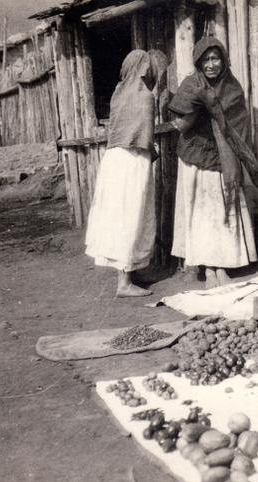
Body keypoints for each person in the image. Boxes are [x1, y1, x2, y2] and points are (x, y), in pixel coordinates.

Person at [169, 38, 257, 289]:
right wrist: (200, 106)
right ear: (198, 62)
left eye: (215, 58)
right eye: (205, 60)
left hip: (225, 158)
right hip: (196, 157)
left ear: (223, 60)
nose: (211, 65)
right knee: (202, 213)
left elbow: (237, 126)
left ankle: (222, 265)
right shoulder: (191, 85)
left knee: (221, 210)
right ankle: (208, 269)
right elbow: (181, 122)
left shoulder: (232, 89)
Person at [84, 50, 158, 297]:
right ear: (144, 69)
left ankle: (129, 272)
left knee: (119, 218)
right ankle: (124, 283)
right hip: (133, 161)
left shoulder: (118, 93)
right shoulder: (145, 97)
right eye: (147, 68)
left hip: (114, 160)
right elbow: (143, 137)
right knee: (132, 217)